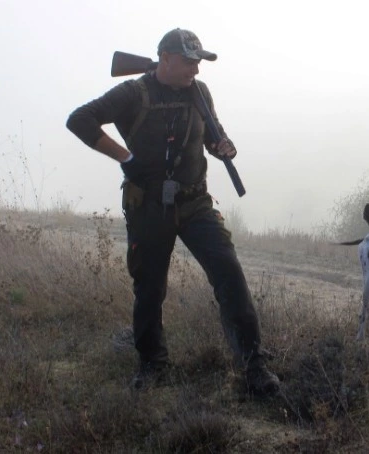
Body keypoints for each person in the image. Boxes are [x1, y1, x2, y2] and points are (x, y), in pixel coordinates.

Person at [66, 28, 280, 396]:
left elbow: (212, 134)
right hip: (148, 204)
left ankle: (253, 365)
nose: (195, 70)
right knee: (149, 288)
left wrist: (221, 145)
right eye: (189, 61)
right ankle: (152, 365)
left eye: (199, 62)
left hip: (196, 202)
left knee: (229, 274)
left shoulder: (199, 92)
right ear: (164, 58)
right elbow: (80, 120)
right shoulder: (133, 93)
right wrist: (126, 158)